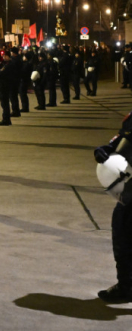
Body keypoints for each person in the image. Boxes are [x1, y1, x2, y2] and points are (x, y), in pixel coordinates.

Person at [93, 112, 132, 302]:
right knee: (122, 233)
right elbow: (123, 137)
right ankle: (126, 286)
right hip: (129, 186)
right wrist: (107, 149)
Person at [0, 50, 13, 126]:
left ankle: (6, 119)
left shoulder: (9, 65)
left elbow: (1, 74)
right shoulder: (5, 64)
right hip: (4, 85)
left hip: (5, 85)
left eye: (4, 56)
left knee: (5, 103)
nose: (3, 57)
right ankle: (6, 118)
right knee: (4, 103)